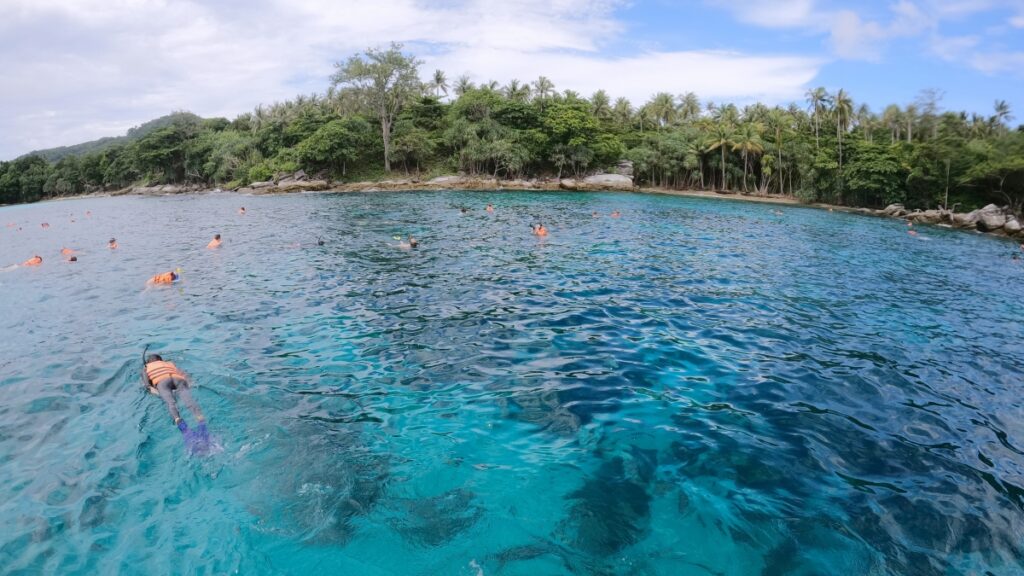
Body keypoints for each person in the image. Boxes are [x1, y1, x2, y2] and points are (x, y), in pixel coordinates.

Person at [142, 352, 209, 450]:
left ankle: (182, 425)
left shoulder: (146, 368)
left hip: (162, 382)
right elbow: (184, 375)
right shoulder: (169, 363)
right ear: (161, 360)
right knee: (189, 401)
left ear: (148, 362)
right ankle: (201, 421)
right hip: (178, 379)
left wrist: (155, 391)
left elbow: (147, 386)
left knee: (171, 403)